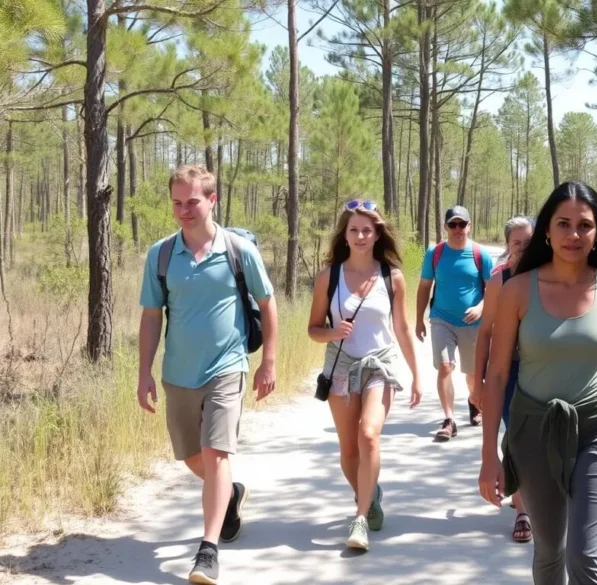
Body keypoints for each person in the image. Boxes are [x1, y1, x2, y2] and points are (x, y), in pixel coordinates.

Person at [479, 181, 597, 585]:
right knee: (551, 551)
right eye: (563, 224)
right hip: (533, 429)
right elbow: (498, 372)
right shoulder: (517, 289)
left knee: (585, 557)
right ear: (547, 231)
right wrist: (489, 455)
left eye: (585, 225)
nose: (574, 235)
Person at [137, 165, 278, 585]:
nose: (184, 210)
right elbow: (150, 317)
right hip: (178, 372)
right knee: (191, 457)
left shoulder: (238, 249)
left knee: (216, 453)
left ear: (212, 200)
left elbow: (267, 304)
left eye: (192, 201)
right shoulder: (160, 255)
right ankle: (230, 493)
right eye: (177, 202)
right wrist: (143, 372)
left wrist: (269, 360)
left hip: (227, 367)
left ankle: (208, 550)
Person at [307, 199, 423, 551]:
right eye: (353, 230)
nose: (360, 236)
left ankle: (359, 521)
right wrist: (332, 332)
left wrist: (417, 375)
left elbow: (401, 328)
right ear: (344, 234)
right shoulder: (329, 277)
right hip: (340, 366)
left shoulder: (392, 277)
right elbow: (313, 329)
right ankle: (369, 495)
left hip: (378, 365)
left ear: (377, 235)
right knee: (348, 450)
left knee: (368, 435)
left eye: (366, 230)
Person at [474, 215, 535, 543]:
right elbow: (485, 333)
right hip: (510, 371)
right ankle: (523, 510)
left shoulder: (551, 275)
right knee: (518, 438)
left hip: (545, 369)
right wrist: (477, 383)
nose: (524, 249)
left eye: (529, 242)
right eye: (517, 243)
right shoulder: (500, 279)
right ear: (507, 246)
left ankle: (540, 500)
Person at [416, 205, 495, 441]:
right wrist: (419, 319)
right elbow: (424, 287)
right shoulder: (435, 253)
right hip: (441, 319)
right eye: (453, 224)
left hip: (473, 324)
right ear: (446, 227)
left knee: (473, 375)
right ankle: (449, 420)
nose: (458, 229)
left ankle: (473, 401)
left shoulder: (481, 255)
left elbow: (492, 289)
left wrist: (481, 307)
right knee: (445, 366)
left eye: (462, 224)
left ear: (469, 226)